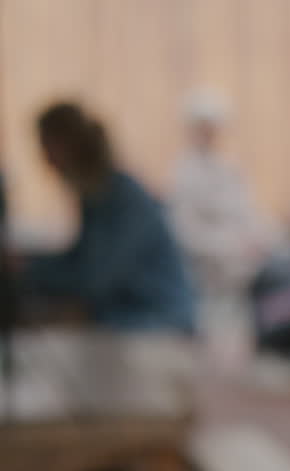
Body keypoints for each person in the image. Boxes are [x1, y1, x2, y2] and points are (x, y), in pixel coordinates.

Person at [20, 101, 196, 335]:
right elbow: (80, 259)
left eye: (46, 145)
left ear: (66, 144)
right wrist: (26, 265)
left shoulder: (122, 196)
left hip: (160, 324)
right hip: (128, 319)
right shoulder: (94, 196)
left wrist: (30, 270)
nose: (44, 158)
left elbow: (96, 279)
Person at [169, 89, 278, 297]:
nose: (208, 133)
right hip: (213, 276)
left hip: (249, 268)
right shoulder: (184, 174)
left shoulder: (228, 168)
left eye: (212, 127)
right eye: (203, 127)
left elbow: (249, 212)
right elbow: (187, 233)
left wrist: (266, 239)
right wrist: (234, 246)